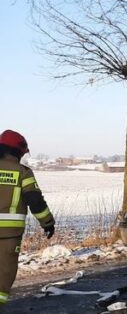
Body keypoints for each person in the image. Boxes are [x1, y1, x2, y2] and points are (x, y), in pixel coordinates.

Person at [0, 130, 55, 306]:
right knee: (4, 276)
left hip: (10, 236)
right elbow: (35, 201)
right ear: (18, 151)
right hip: (9, 236)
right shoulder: (23, 172)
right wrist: (48, 222)